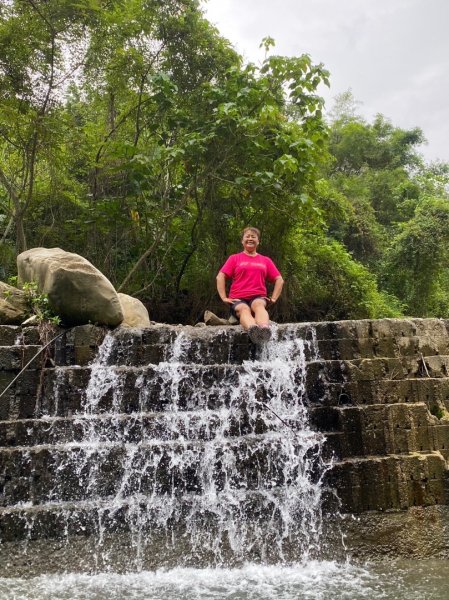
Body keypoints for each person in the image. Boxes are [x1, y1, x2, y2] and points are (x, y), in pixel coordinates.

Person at [216, 227, 284, 343]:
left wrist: (273, 298)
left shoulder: (265, 260)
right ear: (242, 241)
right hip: (238, 298)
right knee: (243, 308)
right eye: (247, 236)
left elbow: (279, 279)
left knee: (258, 304)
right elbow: (220, 276)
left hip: (258, 297)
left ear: (258, 241)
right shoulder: (234, 258)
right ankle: (253, 330)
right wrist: (223, 297)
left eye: (253, 236)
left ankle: (264, 329)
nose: (250, 238)